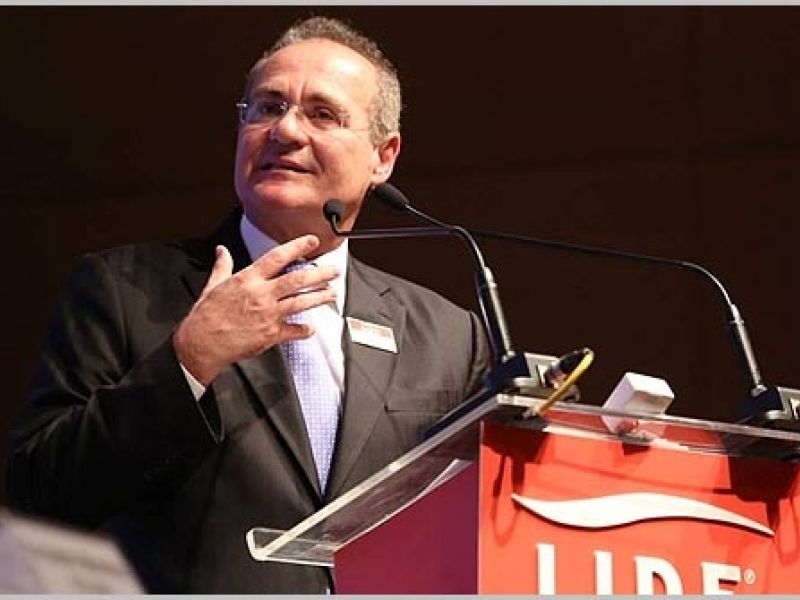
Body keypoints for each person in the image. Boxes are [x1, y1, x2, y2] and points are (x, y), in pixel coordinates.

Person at [6, 16, 490, 594]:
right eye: (267, 107)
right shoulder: (123, 289)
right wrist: (189, 361)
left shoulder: (449, 337)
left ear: (382, 158)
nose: (285, 129)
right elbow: (39, 494)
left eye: (322, 114)